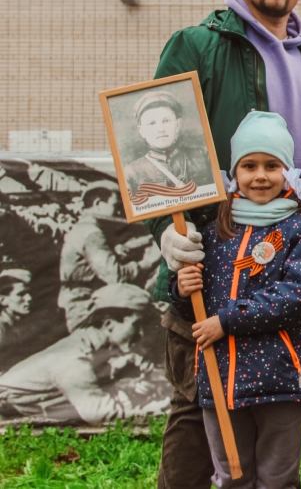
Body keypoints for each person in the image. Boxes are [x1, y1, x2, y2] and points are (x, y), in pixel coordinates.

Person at [150, 0, 301, 489]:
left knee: (279, 412)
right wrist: (165, 238)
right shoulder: (198, 45)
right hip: (210, 259)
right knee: (199, 404)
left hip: (287, 265)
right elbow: (157, 142)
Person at [172, 111, 301, 488]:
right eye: (249, 165)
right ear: (235, 173)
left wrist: (226, 321)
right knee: (231, 478)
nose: (260, 175)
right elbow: (193, 304)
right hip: (221, 381)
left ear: (287, 171)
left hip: (280, 379)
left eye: (271, 165)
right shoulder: (214, 232)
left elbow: (298, 295)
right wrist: (181, 287)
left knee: (278, 480)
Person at [0, 283, 159, 425]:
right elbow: (102, 414)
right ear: (109, 324)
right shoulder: (74, 359)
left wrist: (130, 385)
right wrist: (156, 412)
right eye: (136, 325)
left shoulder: (92, 349)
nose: (141, 333)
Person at [59, 180, 147, 331]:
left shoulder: (84, 229)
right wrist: (145, 263)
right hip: (86, 309)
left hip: (87, 304)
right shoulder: (91, 233)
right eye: (116, 207)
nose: (119, 213)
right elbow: (115, 276)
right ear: (98, 203)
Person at [123, 90, 213, 200]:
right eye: (152, 123)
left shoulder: (203, 156)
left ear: (178, 124)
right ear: (142, 131)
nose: (160, 129)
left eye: (166, 121)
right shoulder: (132, 172)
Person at [0, 267, 32, 370]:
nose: (29, 298)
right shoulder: (1, 328)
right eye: (21, 294)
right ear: (3, 300)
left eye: (29, 293)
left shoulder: (17, 324)